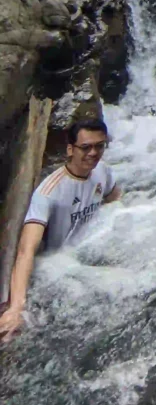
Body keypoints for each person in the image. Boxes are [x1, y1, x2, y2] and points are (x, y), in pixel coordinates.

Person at [0, 118, 121, 342]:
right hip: (60, 269)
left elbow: (115, 201)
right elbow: (26, 250)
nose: (93, 153)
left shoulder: (103, 172)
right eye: (86, 147)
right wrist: (16, 307)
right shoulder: (49, 192)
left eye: (99, 146)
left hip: (92, 253)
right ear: (70, 149)